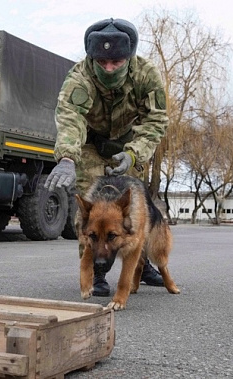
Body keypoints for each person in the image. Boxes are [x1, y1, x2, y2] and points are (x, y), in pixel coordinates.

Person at [45, 18, 169, 297]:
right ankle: (97, 272)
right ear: (92, 58)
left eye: (116, 62)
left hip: (127, 145)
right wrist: (66, 158)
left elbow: (156, 120)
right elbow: (70, 119)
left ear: (129, 57)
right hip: (89, 143)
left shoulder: (146, 75)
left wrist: (134, 155)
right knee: (91, 208)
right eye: (102, 62)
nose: (109, 67)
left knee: (132, 207)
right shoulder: (79, 77)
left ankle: (140, 264)